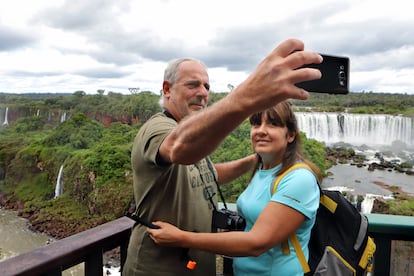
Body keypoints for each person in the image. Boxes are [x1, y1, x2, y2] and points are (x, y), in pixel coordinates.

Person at [123, 38, 323, 276]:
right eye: (192, 85)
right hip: (158, 269)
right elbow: (179, 148)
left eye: (206, 87)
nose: (202, 93)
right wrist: (245, 99)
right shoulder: (158, 129)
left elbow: (206, 174)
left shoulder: (291, 175)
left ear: (291, 135)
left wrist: (254, 160)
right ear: (167, 89)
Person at [147, 101, 323, 275]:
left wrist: (181, 238)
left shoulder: (299, 179)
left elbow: (256, 243)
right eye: (256, 123)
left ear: (291, 135)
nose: (261, 130)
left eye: (273, 124)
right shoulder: (263, 170)